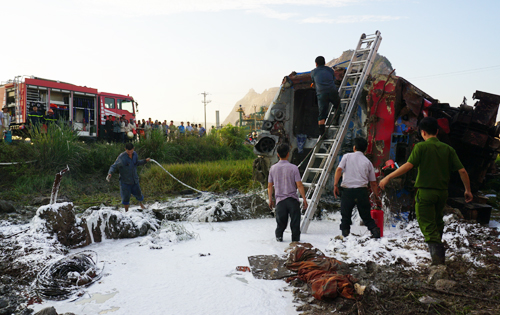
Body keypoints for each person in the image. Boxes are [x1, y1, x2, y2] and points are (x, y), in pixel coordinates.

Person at [379, 117, 473, 265]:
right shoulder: (448, 149)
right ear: (437, 131)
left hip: (425, 193)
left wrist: (388, 177)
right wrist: (468, 190)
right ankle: (438, 251)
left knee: (427, 225)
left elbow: (408, 166)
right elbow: (462, 171)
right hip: (442, 193)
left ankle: (438, 261)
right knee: (437, 222)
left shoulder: (420, 147)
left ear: (423, 132)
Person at [333, 137, 381, 239]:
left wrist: (335, 185)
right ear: (365, 149)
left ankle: (345, 236)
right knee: (366, 217)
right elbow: (373, 182)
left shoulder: (347, 157)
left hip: (347, 192)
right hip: (361, 192)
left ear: (354, 147)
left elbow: (338, 170)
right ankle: (375, 232)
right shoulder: (368, 162)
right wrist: (376, 196)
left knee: (345, 217)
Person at [268, 143, 308, 242]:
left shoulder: (273, 168)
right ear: (288, 154)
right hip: (292, 201)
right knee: (295, 225)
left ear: (278, 154)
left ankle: (279, 241)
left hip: (280, 201)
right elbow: (299, 185)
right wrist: (304, 199)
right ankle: (296, 245)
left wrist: (270, 200)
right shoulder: (293, 168)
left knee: (280, 225)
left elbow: (269, 186)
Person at [107, 142, 151, 212]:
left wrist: (145, 161)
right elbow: (114, 166)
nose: (130, 153)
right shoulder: (121, 157)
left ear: (133, 149)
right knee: (125, 197)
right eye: (128, 151)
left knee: (138, 194)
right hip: (125, 181)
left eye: (131, 151)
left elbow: (137, 163)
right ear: (125, 149)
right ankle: (126, 211)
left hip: (134, 180)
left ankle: (141, 204)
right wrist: (110, 173)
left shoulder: (135, 154)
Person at [311, 56, 341, 137]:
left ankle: (322, 134)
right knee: (338, 106)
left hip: (321, 94)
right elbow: (332, 78)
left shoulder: (313, 72)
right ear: (324, 63)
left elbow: (314, 82)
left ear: (316, 64)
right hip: (332, 91)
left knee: (322, 115)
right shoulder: (330, 70)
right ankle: (335, 121)